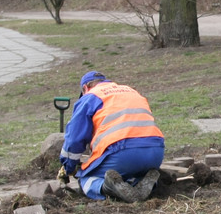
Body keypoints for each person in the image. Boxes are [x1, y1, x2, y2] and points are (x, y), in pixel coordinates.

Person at [59, 71, 164, 202]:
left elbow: (74, 140)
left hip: (122, 153)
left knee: (86, 178)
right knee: (130, 173)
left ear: (85, 88)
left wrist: (68, 167)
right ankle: (141, 183)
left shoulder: (90, 97)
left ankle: (106, 187)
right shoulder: (131, 91)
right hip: (155, 151)